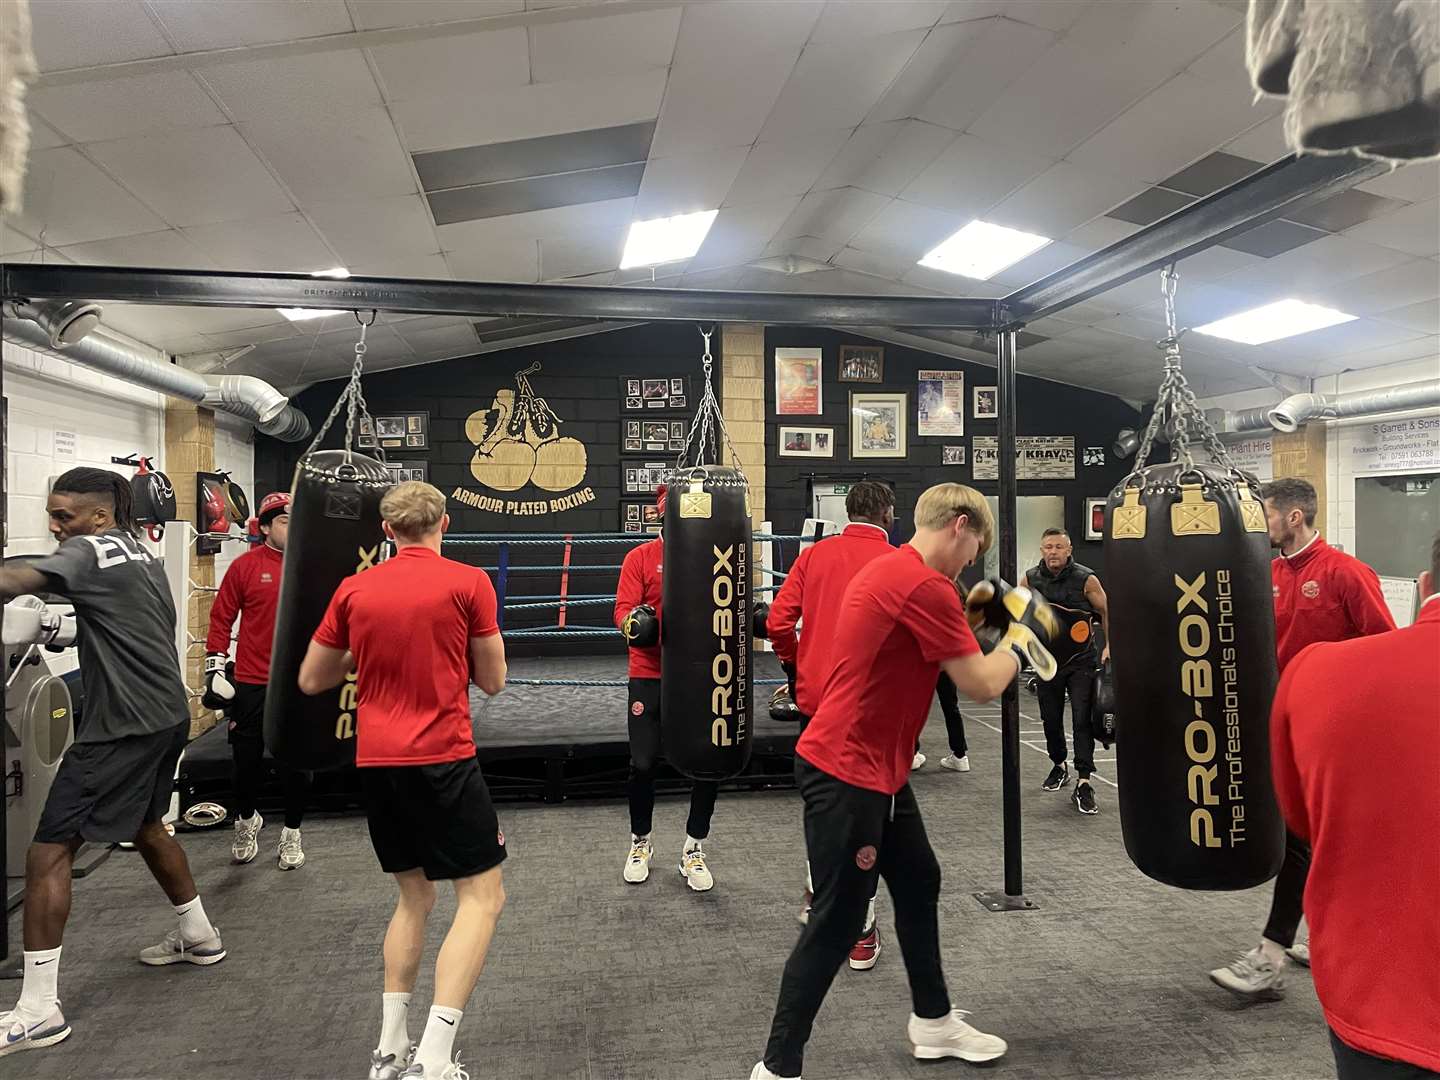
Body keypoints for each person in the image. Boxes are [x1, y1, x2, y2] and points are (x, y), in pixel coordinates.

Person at [751, 483, 1058, 1080]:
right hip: (848, 770)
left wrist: (998, 621)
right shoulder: (921, 585)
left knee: (919, 879)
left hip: (876, 766)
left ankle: (934, 1022)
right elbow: (979, 683)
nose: (974, 559)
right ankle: (776, 1066)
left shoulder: (898, 570)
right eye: (976, 546)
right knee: (839, 919)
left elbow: (954, 638)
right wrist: (1024, 643)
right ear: (960, 525)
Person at [0, 468, 225, 1060]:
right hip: (167, 714)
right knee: (149, 826)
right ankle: (199, 935)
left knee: (48, 851)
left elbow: (15, 578)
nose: (54, 525)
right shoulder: (139, 552)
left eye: (63, 515)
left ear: (97, 516)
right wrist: (68, 627)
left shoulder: (85, 550)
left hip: (119, 728)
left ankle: (38, 1010)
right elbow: (129, 620)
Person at [298, 481, 508, 1080]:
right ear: (445, 522)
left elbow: (313, 680)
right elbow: (492, 681)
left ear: (387, 531)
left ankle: (390, 1049)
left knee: (414, 897)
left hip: (378, 764)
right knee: (483, 898)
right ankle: (435, 1058)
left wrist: (363, 651)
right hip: (443, 758)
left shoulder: (354, 588)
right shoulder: (469, 582)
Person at [1209, 477, 1395, 1000]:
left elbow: (1383, 651)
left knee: (1297, 838)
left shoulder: (1346, 574)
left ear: (1294, 516)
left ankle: (1269, 956)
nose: (1259, 526)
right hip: (1281, 721)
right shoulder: (1264, 573)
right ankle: (1319, 930)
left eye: (1265, 515)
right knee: (1316, 838)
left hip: (1333, 728)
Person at [1268, 533, 1439, 1078]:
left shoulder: (1342, 581)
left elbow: (1302, 819)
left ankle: (1275, 945)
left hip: (1382, 998)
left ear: (1426, 584)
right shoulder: (1274, 573)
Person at [767, 479, 896, 970]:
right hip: (870, 710)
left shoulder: (816, 556)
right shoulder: (899, 563)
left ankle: (817, 892)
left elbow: (779, 621)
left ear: (847, 511)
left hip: (817, 703)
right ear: (887, 512)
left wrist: (796, 667)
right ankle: (859, 927)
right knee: (867, 815)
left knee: (824, 805)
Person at [613, 484, 718, 891]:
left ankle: (694, 847)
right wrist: (635, 625)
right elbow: (621, 610)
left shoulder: (710, 556)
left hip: (697, 674)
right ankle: (641, 841)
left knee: (707, 762)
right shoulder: (639, 558)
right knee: (642, 763)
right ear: (662, 519)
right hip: (649, 672)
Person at [203, 491, 313, 868]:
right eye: (284, 521)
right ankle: (247, 819)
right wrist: (214, 667)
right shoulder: (246, 567)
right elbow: (221, 618)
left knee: (296, 763)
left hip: (300, 681)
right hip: (252, 679)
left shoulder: (316, 567)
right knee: (245, 762)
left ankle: (292, 833)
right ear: (265, 527)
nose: (293, 527)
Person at [1020, 527, 1110, 815]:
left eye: (1059, 546)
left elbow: (1108, 612)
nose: (1054, 552)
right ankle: (1059, 765)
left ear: (1069, 550)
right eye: (1048, 547)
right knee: (1050, 718)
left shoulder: (1086, 579)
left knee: (1082, 720)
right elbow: (1018, 613)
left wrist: (1112, 648)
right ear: (1042, 550)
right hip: (1048, 662)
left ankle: (1084, 781)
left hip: (1082, 662)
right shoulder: (1030, 578)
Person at [933, 672, 969, 773]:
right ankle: (960, 756)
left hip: (922, 661)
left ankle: (912, 754)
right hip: (945, 662)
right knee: (951, 707)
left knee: (915, 707)